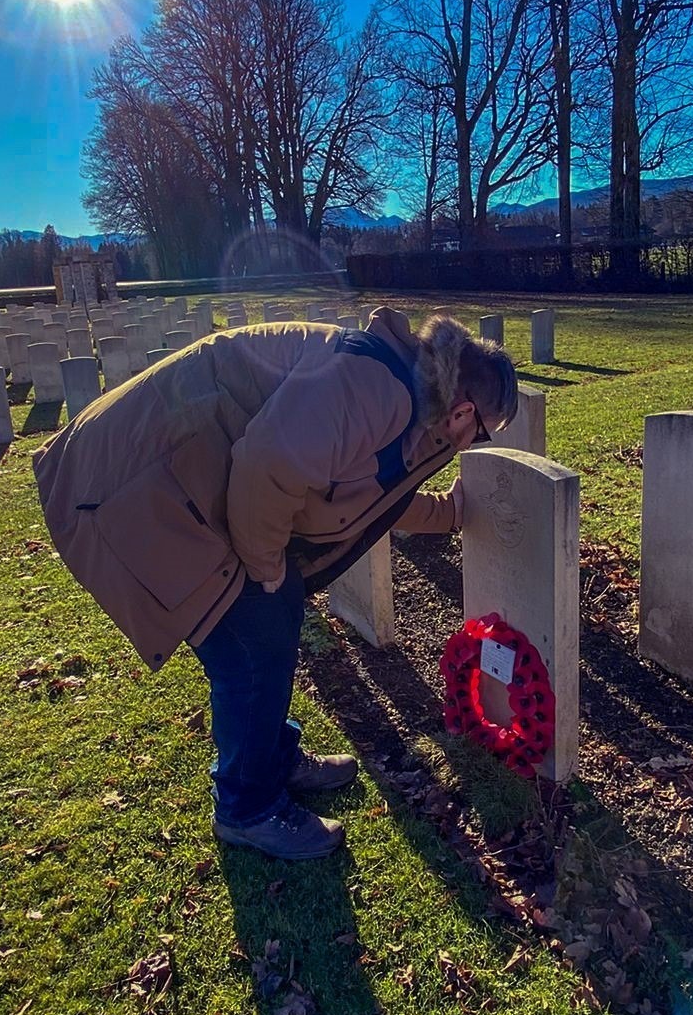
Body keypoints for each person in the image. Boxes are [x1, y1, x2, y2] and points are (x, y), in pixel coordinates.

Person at [33, 305, 518, 860]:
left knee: (276, 615)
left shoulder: (413, 396)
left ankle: (271, 758)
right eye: (482, 431)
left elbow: (374, 495)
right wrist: (264, 570)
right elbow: (267, 464)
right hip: (137, 478)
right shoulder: (376, 388)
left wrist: (449, 515)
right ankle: (246, 808)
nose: (474, 443)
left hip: (199, 475)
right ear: (462, 409)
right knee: (251, 640)